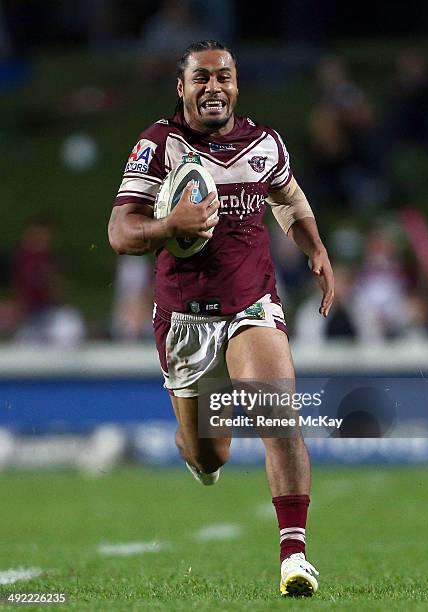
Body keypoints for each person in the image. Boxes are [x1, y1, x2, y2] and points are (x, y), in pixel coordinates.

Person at [108, 40, 334, 597]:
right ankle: (201, 451)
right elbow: (120, 233)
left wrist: (315, 247)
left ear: (237, 85)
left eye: (224, 77)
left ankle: (294, 556)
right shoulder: (158, 146)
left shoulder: (263, 142)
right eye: (202, 79)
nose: (215, 88)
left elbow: (288, 197)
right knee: (210, 453)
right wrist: (170, 225)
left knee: (277, 414)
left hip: (251, 304)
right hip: (185, 317)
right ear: (181, 88)